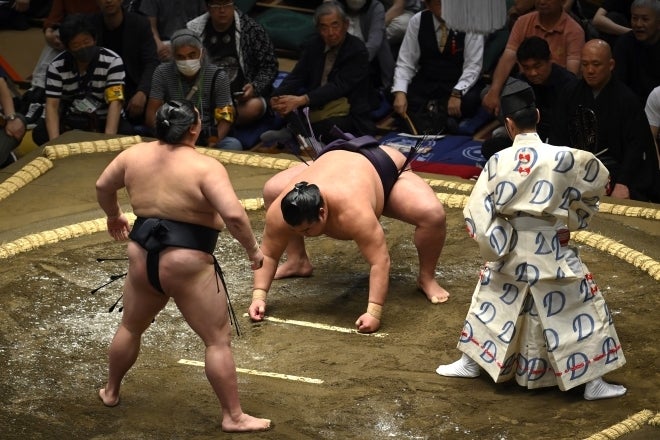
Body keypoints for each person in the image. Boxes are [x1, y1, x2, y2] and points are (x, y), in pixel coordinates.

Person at [435, 78, 628, 402]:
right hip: (551, 244)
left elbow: (477, 211)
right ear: (537, 116)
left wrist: (496, 244)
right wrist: (571, 217)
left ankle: (471, 361)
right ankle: (593, 380)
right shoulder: (567, 157)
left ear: (508, 124)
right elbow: (598, 181)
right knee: (575, 307)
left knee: (491, 302)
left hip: (511, 247)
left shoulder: (497, 162)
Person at [95, 99, 271, 433]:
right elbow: (233, 215)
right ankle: (233, 416)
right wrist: (253, 251)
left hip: (141, 254)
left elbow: (103, 186)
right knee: (216, 341)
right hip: (187, 262)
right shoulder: (205, 167)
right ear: (194, 127)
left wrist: (114, 215)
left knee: (131, 327)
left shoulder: (134, 154)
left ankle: (111, 390)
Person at [247, 131, 451, 334]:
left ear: (322, 213)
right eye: (295, 230)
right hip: (332, 157)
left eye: (307, 230)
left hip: (383, 166)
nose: (304, 235)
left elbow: (379, 261)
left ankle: (427, 278)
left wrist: (374, 312)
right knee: (272, 189)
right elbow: (269, 253)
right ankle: (297, 261)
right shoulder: (280, 210)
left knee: (432, 214)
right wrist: (258, 297)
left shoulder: (354, 212)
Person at [552, 39, 659, 202]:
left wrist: (623, 182)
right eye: (585, 64)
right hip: (575, 170)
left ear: (610, 65)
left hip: (615, 173)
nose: (590, 70)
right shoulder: (569, 94)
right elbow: (558, 137)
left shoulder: (626, 99)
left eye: (596, 64)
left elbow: (636, 145)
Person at [265, 1, 376, 145]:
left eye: (335, 25)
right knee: (284, 103)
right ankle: (299, 134)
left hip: (346, 108)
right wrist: (278, 96)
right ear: (318, 29)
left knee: (332, 127)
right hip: (315, 103)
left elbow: (338, 86)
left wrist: (303, 99)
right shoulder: (313, 44)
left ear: (346, 25)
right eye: (324, 27)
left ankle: (295, 134)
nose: (330, 33)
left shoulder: (357, 50)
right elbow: (298, 75)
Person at [31, 13, 135, 146]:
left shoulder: (112, 61)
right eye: (76, 45)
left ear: (95, 39)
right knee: (41, 133)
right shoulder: (56, 66)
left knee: (126, 133)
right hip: (72, 119)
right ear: (67, 47)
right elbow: (52, 105)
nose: (83, 48)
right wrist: (55, 143)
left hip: (104, 118)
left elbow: (115, 102)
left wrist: (108, 142)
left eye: (86, 42)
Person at [391, 0, 485, 134]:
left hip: (457, 81)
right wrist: (400, 92)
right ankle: (439, 117)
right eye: (440, 3)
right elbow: (406, 62)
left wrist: (457, 93)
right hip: (429, 79)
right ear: (428, 5)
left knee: (471, 100)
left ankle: (440, 118)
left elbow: (473, 66)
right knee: (396, 92)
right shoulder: (417, 21)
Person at [482, 0, 585, 116]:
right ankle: (516, 126)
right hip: (526, 84)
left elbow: (571, 75)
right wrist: (494, 92)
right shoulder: (522, 22)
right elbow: (508, 57)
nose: (542, 1)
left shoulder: (575, 30)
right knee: (488, 93)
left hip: (556, 89)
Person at [481, 36, 578, 159]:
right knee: (491, 147)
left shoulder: (568, 83)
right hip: (529, 138)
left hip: (560, 141)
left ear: (549, 60)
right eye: (527, 68)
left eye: (537, 66)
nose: (533, 73)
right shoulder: (521, 82)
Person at [146, 28, 241, 150]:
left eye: (192, 55)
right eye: (180, 57)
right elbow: (151, 114)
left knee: (233, 144)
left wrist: (212, 143)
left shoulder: (218, 76)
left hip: (205, 134)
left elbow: (226, 118)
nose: (187, 61)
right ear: (173, 57)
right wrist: (168, 137)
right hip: (172, 133)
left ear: (202, 53)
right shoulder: (162, 72)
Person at [187, 0, 278, 128]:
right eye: (217, 5)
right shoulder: (193, 29)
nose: (222, 10)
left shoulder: (252, 30)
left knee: (254, 107)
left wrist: (255, 87)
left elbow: (270, 67)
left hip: (239, 100)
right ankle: (212, 123)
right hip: (203, 96)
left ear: (234, 5)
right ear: (208, 8)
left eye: (226, 5)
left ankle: (211, 124)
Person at [90, 0, 160, 129]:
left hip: (132, 89)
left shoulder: (139, 24)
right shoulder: (90, 25)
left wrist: (142, 92)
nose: (108, 1)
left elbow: (151, 62)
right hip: (99, 92)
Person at [337, 0, 395, 91]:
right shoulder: (335, 6)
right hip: (339, 60)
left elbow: (374, 43)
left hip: (367, 60)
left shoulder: (376, 7)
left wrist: (354, 65)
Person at [612, 0, 660, 104]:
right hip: (631, 107)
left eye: (645, 19)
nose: (638, 24)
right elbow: (618, 85)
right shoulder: (624, 44)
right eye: (634, 18)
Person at [139, 0, 207, 61]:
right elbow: (150, 26)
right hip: (164, 44)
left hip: (193, 41)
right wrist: (159, 46)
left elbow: (205, 23)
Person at [0, 76, 27, 168]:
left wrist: (11, 117)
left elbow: (0, 82)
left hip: (4, 124)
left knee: (18, 122)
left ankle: (6, 158)